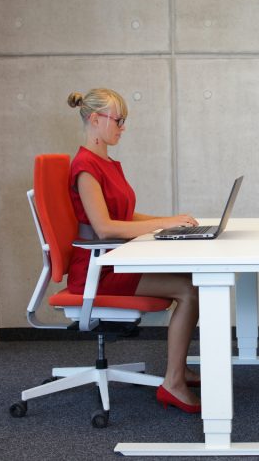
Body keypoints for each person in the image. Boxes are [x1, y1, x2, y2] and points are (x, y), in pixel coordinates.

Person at [67, 88, 202, 414]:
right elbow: (106, 228)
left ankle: (178, 370)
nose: (122, 127)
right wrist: (161, 226)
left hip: (114, 260)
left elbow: (124, 217)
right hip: (98, 271)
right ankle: (172, 383)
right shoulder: (85, 167)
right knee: (187, 288)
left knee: (191, 282)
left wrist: (170, 221)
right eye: (119, 120)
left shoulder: (107, 163)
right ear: (96, 119)